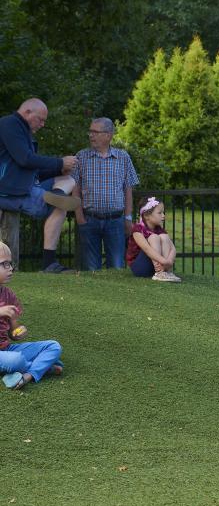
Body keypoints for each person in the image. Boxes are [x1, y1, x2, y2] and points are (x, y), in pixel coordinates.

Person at [0, 98, 81, 273]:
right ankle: (49, 263)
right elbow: (25, 159)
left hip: (25, 186)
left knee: (68, 179)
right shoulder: (10, 124)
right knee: (59, 208)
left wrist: (60, 170)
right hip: (10, 192)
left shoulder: (22, 130)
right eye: (41, 119)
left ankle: (57, 196)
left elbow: (32, 170)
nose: (43, 124)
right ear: (28, 112)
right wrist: (60, 163)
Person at [71, 117, 139, 270]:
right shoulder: (81, 156)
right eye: (90, 131)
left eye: (95, 132)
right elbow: (74, 188)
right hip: (89, 220)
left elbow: (128, 189)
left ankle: (116, 294)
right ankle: (93, 294)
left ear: (108, 135)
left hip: (115, 221)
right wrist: (79, 217)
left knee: (117, 267)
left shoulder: (123, 157)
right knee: (91, 269)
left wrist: (128, 218)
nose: (91, 135)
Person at [0, 240, 64, 390]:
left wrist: (18, 331)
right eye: (4, 264)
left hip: (6, 349)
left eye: (10, 264)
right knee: (16, 360)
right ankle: (45, 368)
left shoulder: (9, 295)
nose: (10, 269)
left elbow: (12, 334)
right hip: (10, 357)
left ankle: (28, 375)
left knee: (54, 347)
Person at [126, 197, 181, 282]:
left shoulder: (159, 229)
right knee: (153, 237)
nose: (163, 215)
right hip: (140, 267)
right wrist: (164, 261)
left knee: (164, 237)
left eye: (163, 212)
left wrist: (169, 261)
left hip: (157, 266)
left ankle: (166, 271)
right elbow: (147, 249)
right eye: (159, 213)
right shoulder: (137, 229)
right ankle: (159, 273)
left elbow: (172, 248)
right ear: (146, 215)